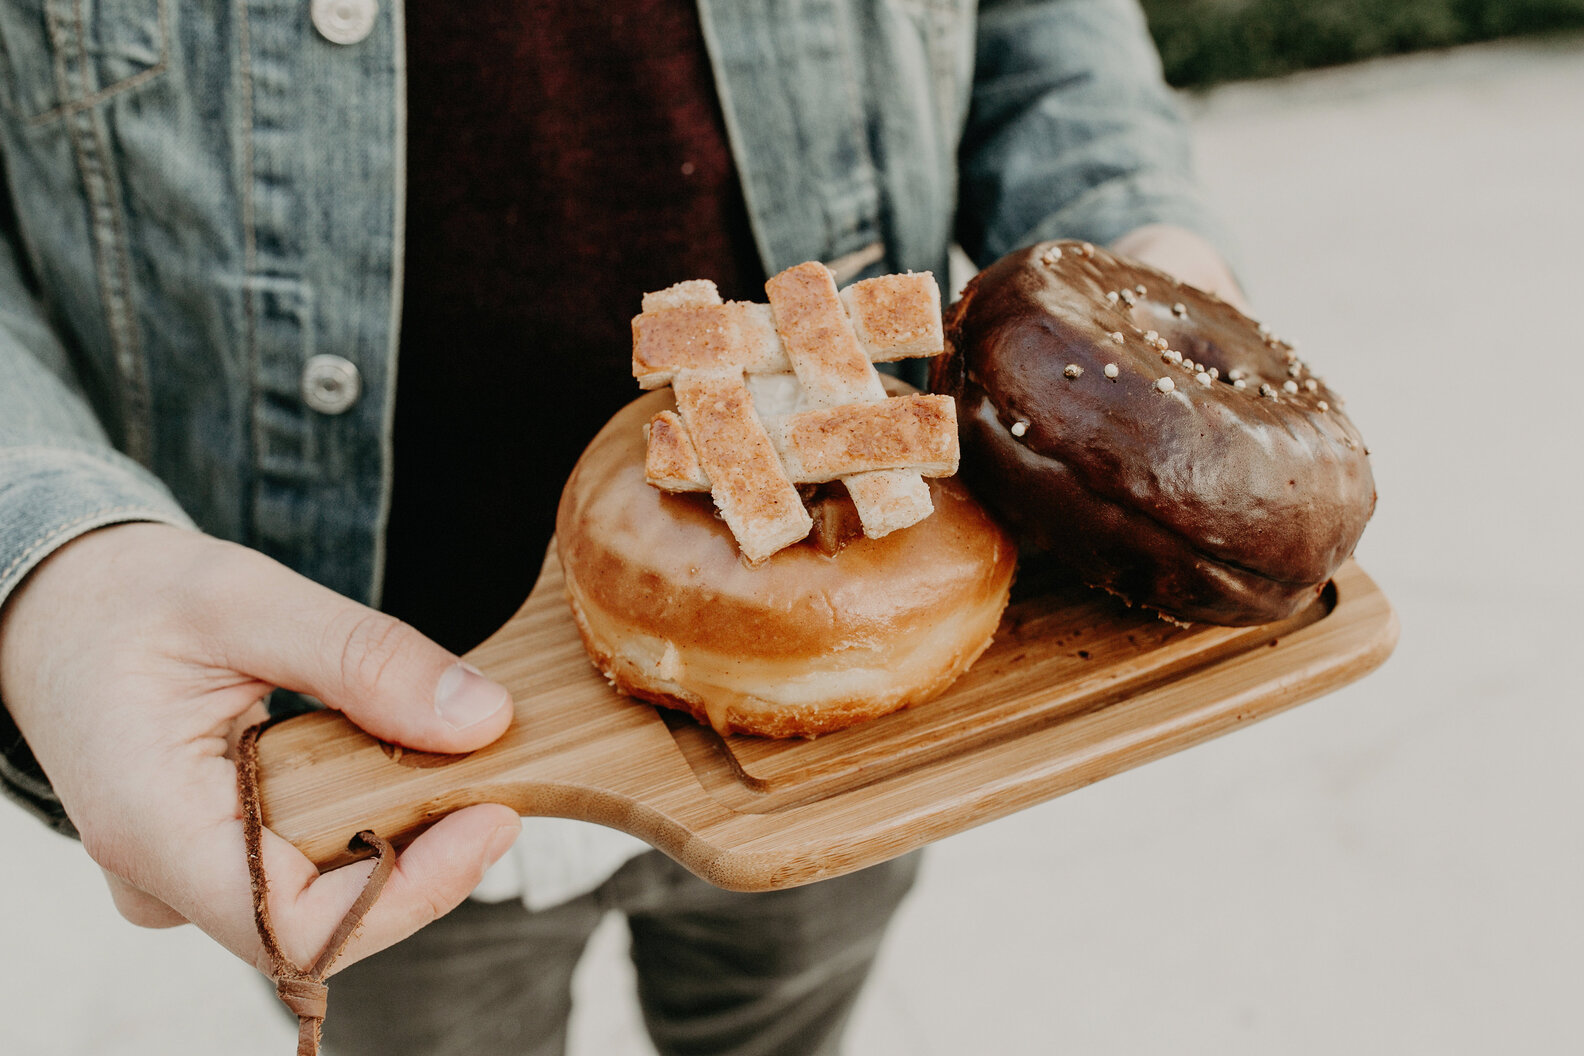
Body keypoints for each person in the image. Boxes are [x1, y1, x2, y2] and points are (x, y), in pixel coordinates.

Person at [0, 1, 1245, 1053]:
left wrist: (1136, 239)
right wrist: (55, 548)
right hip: (361, 741)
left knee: (789, 1016)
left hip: (857, 729)